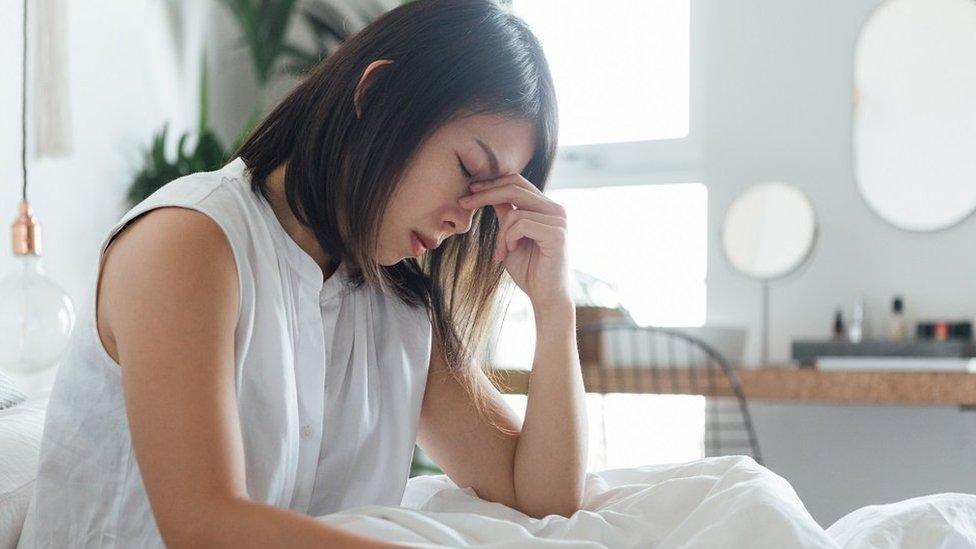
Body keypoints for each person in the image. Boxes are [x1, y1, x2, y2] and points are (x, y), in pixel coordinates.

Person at [17, 0, 587, 547]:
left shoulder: (398, 306)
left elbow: (538, 497)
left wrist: (553, 308)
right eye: (468, 169)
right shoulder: (189, 243)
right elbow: (204, 529)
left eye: (487, 198)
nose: (466, 219)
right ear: (377, 93)